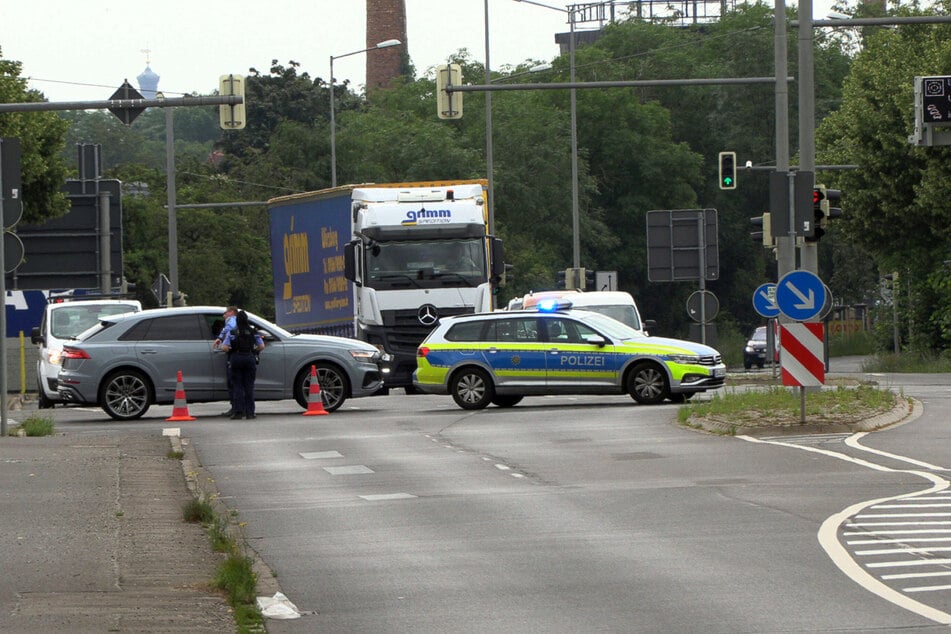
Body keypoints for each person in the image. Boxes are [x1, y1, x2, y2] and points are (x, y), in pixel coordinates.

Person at [221, 310, 264, 420]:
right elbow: (261, 346)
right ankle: (250, 412)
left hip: (236, 358)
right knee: (249, 386)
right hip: (249, 358)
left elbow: (224, 347)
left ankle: (239, 412)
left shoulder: (232, 332)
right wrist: (253, 350)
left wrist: (231, 349)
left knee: (237, 386)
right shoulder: (253, 331)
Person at [213, 306, 238, 416]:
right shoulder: (244, 326)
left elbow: (230, 329)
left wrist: (220, 337)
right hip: (241, 355)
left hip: (233, 355)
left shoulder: (232, 321)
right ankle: (242, 408)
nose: (224, 315)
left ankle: (236, 408)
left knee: (233, 383)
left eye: (225, 313)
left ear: (232, 312)